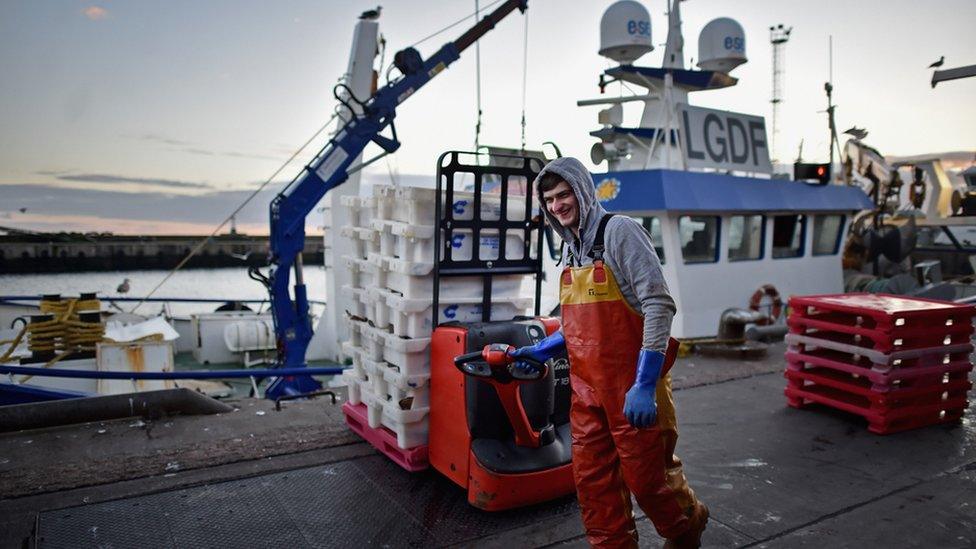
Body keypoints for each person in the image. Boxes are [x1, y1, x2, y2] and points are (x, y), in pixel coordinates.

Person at [509, 157, 708, 548]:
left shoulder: (620, 232)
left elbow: (657, 304)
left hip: (633, 389)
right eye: (548, 199)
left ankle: (687, 528)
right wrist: (543, 349)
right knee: (593, 485)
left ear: (582, 190)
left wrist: (645, 383)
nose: (556, 206)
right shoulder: (569, 252)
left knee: (649, 481)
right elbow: (576, 326)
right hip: (587, 395)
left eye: (563, 194)